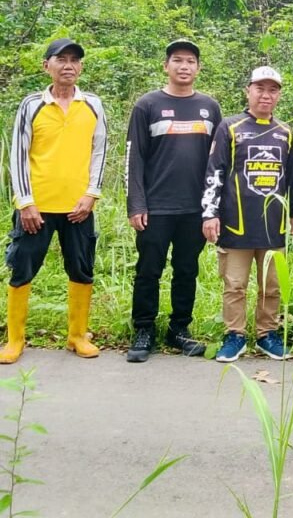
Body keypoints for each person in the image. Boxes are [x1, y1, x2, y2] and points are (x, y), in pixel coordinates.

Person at [0, 38, 107, 364]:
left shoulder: (92, 104)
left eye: (75, 60)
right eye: (61, 59)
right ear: (47, 65)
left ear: (81, 67)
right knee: (22, 269)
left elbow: (100, 150)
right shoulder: (32, 104)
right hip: (38, 207)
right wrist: (26, 202)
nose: (68, 66)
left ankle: (77, 335)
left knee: (81, 268)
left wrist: (92, 194)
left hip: (79, 207)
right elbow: (18, 156)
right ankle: (15, 339)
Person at [125, 39, 221, 362]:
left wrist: (214, 208)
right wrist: (136, 204)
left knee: (186, 270)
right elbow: (133, 158)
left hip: (195, 209)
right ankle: (144, 329)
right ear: (166, 66)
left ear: (198, 68)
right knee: (148, 270)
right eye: (177, 60)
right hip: (155, 208)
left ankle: (179, 328)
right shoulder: (147, 105)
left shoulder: (210, 107)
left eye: (190, 61)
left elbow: (218, 162)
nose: (184, 66)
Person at [202, 66, 293, 363]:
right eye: (260, 89)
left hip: (273, 226)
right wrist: (210, 214)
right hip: (236, 224)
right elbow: (214, 171)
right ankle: (235, 335)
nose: (266, 95)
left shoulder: (285, 133)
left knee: (272, 285)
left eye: (273, 90)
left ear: (278, 95)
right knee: (235, 284)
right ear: (248, 90)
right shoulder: (230, 127)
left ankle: (268, 334)